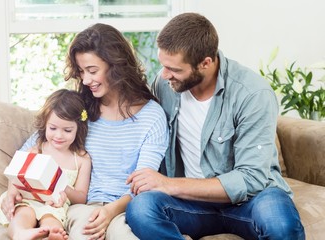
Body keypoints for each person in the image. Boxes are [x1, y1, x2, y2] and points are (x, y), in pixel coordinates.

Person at [126, 12, 305, 239]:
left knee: (281, 225)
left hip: (252, 199)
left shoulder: (252, 93)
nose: (164, 75)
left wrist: (169, 184)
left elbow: (251, 178)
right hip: (192, 205)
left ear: (206, 63)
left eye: (175, 69)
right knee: (141, 209)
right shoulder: (166, 86)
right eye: (163, 65)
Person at [0, 23, 169, 240]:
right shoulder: (79, 109)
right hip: (83, 208)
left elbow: (144, 184)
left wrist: (110, 211)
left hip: (125, 209)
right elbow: (29, 152)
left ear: (116, 66)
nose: (85, 80)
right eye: (81, 71)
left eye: (92, 71)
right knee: (84, 234)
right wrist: (12, 189)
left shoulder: (151, 116)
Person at [0, 89, 92, 240]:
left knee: (52, 221)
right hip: (29, 201)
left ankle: (51, 234)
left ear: (79, 128)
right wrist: (12, 193)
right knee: (23, 214)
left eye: (67, 130)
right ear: (45, 124)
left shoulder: (82, 159)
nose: (58, 135)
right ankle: (21, 233)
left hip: (55, 206)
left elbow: (81, 198)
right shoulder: (37, 149)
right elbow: (16, 175)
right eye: (53, 128)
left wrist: (60, 185)